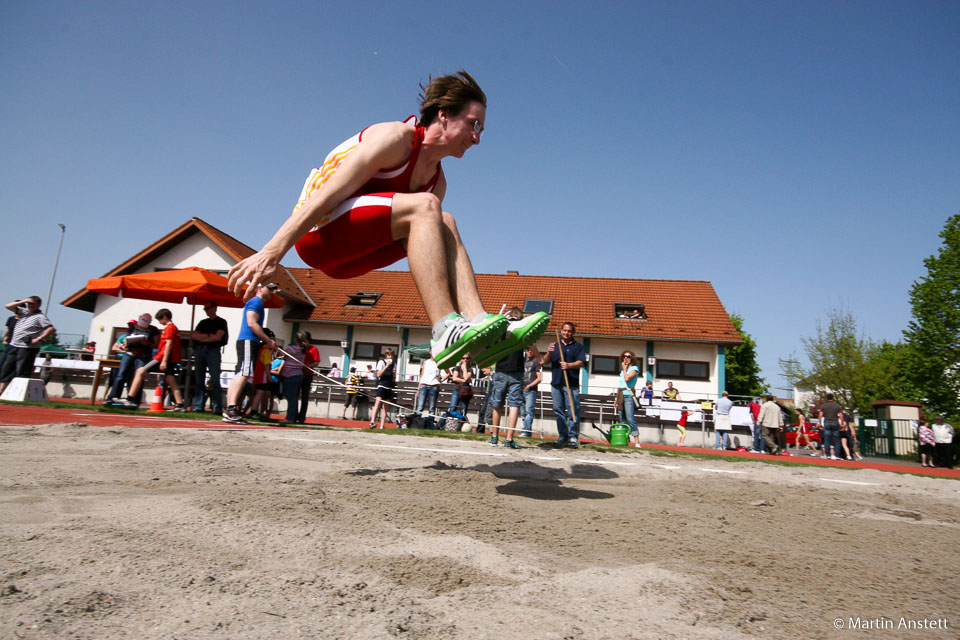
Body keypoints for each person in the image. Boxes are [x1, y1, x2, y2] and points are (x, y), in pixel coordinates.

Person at [226, 71, 548, 371]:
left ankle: (479, 329)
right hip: (316, 235)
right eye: (474, 125)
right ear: (444, 115)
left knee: (443, 220)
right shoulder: (395, 139)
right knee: (428, 207)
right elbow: (327, 194)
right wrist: (271, 253)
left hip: (350, 259)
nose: (477, 138)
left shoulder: (438, 183)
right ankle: (444, 329)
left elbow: (430, 255)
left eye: (481, 130)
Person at [223, 283, 278, 424]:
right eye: (269, 288)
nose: (271, 292)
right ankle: (231, 409)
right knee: (244, 373)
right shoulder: (255, 302)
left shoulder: (257, 303)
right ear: (259, 288)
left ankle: (230, 408)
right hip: (248, 340)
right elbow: (252, 323)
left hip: (248, 341)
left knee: (240, 374)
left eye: (273, 289)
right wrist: (268, 341)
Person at [120, 308, 185, 411]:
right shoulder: (175, 328)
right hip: (171, 359)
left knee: (140, 371)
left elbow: (169, 344)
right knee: (170, 379)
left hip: (162, 357)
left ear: (164, 317)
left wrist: (163, 361)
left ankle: (130, 398)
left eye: (160, 320)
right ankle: (180, 404)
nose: (160, 322)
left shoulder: (169, 328)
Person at [541, 322, 586, 448]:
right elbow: (545, 361)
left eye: (569, 331)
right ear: (561, 331)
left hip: (571, 384)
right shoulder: (555, 345)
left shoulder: (578, 346)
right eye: (565, 330)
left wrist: (569, 365)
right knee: (558, 411)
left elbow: (582, 362)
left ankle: (573, 436)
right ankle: (562, 436)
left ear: (573, 333)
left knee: (573, 410)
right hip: (556, 383)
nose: (567, 333)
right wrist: (549, 352)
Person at [0, 296, 56, 396]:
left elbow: (51, 329)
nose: (30, 306)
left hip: (27, 348)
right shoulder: (23, 312)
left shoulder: (40, 317)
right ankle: (1, 392)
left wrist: (38, 339)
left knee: (22, 370)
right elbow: (7, 306)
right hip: (14, 344)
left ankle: (19, 394)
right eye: (29, 304)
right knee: (6, 369)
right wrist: (24, 301)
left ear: (38, 305)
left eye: (32, 304)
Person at [487, 343, 537, 449]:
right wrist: (540, 359)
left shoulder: (501, 331)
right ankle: (508, 439)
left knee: (498, 404)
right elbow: (532, 343)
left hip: (503, 370)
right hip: (514, 372)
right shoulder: (521, 329)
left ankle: (495, 437)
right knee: (513, 405)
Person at [106, 314, 161, 405]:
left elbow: (156, 344)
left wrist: (146, 343)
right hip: (129, 352)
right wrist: (126, 344)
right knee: (121, 374)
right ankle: (113, 396)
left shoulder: (153, 330)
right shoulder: (132, 327)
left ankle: (134, 398)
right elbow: (126, 340)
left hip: (143, 354)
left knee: (138, 375)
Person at [190, 302, 228, 414]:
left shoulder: (221, 322)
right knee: (199, 379)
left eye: (207, 308)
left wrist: (203, 337)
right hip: (200, 350)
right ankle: (199, 405)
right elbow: (194, 336)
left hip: (213, 351)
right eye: (204, 308)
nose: (205, 310)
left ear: (214, 308)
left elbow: (218, 337)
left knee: (215, 379)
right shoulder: (203, 322)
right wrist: (209, 336)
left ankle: (217, 406)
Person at [278, 332, 307, 425]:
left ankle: (290, 417)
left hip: (290, 375)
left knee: (291, 397)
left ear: (295, 339)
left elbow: (283, 356)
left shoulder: (291, 349)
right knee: (293, 397)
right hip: (298, 374)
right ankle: (293, 417)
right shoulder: (303, 350)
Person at [617, 350, 641, 447]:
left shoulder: (634, 369)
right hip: (621, 394)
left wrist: (624, 369)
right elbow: (620, 384)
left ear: (632, 358)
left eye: (628, 356)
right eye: (624, 356)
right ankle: (626, 439)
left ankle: (637, 441)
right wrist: (616, 399)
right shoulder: (622, 371)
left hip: (628, 395)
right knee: (622, 419)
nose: (626, 358)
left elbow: (627, 379)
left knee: (630, 419)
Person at [296, 331, 320, 423]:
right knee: (295, 395)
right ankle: (293, 415)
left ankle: (302, 417)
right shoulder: (299, 348)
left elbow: (316, 362)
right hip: (297, 374)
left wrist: (307, 366)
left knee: (304, 396)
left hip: (307, 375)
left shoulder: (313, 349)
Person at [370, 348, 396, 429]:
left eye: (391, 355)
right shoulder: (381, 362)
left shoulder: (394, 364)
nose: (390, 356)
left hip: (389, 386)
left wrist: (394, 373)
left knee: (385, 407)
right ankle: (372, 422)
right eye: (388, 355)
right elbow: (378, 374)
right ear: (386, 355)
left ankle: (382, 425)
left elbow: (393, 379)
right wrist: (386, 366)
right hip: (381, 385)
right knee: (377, 404)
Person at [520, 346, 542, 438]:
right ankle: (527, 431)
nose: (529, 351)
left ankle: (526, 430)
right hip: (522, 389)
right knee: (522, 412)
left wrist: (529, 386)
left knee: (529, 411)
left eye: (531, 350)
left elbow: (539, 378)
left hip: (531, 390)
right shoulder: (524, 362)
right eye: (527, 350)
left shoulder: (536, 362)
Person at [818, 394, 843, 460]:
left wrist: (820, 423)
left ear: (827, 398)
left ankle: (828, 454)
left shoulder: (823, 406)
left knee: (827, 439)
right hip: (835, 422)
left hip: (827, 422)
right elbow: (841, 415)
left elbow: (820, 415)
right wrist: (842, 424)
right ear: (833, 398)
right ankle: (837, 454)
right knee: (837, 439)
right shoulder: (837, 406)